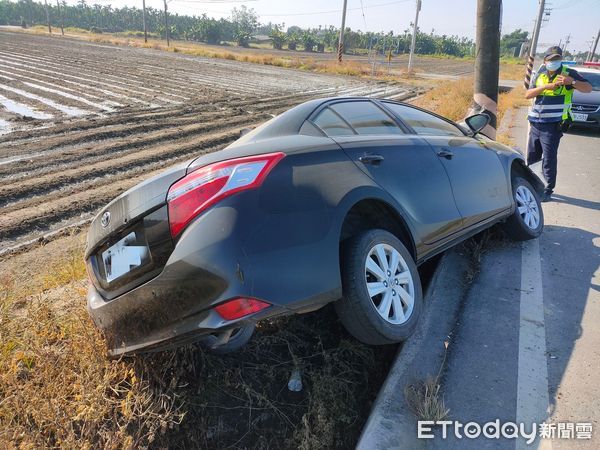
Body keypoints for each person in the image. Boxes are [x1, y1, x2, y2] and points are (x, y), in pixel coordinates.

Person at [525, 46, 592, 202]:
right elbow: (528, 94)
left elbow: (588, 88)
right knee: (533, 157)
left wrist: (572, 82)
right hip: (536, 122)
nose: (554, 62)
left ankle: (547, 190)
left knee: (548, 159)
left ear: (561, 59)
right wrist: (545, 87)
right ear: (545, 60)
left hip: (553, 124)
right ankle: (534, 185)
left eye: (557, 59)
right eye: (551, 59)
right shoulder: (540, 74)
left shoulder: (568, 74)